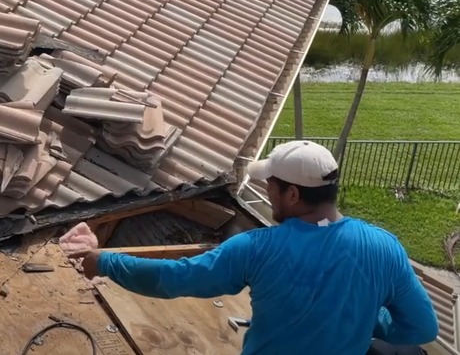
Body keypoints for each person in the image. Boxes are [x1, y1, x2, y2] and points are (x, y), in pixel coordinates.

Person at [70, 140, 438, 354]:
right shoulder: (384, 247)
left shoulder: (257, 248)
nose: (266, 192)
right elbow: (421, 328)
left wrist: (105, 261)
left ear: (293, 194)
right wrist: (366, 318)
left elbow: (174, 279)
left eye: (271, 187)